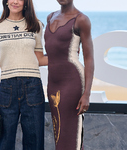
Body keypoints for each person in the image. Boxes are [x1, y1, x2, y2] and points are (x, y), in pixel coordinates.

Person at [0, 0, 48, 149]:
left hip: (33, 87)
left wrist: (65, 55)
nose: (15, 1)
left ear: (26, 2)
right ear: (6, 2)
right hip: (7, 88)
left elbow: (39, 59)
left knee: (34, 141)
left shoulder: (36, 26)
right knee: (3, 143)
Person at [44, 0, 94, 149]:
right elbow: (53, 52)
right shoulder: (50, 17)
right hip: (53, 84)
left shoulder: (81, 20)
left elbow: (89, 58)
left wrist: (87, 94)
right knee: (60, 133)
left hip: (72, 82)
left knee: (71, 133)